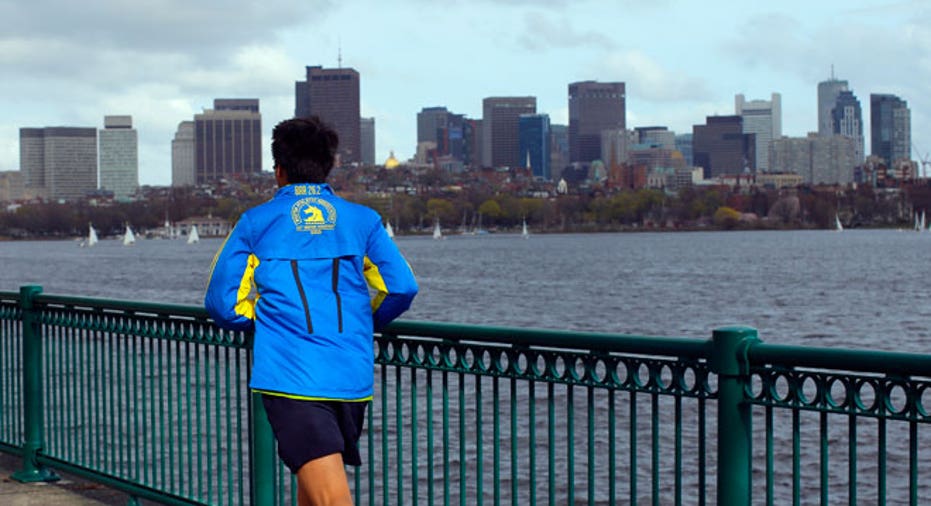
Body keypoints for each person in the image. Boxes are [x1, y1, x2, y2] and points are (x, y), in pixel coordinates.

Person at [204, 116, 418, 506]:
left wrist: (266, 319)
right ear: (329, 165)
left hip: (291, 377)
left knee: (330, 500)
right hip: (351, 378)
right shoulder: (363, 221)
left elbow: (223, 303)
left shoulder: (256, 223)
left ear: (279, 170)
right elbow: (401, 288)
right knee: (316, 492)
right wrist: (361, 321)